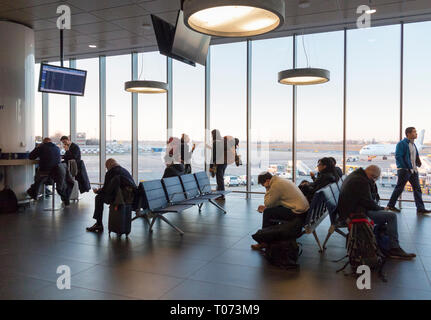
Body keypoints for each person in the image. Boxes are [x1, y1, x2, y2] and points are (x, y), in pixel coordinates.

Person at [337, 165, 416, 259]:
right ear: (372, 176)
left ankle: (385, 242)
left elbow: (365, 200)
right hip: (355, 213)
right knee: (392, 216)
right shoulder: (361, 181)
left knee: (386, 215)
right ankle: (394, 248)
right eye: (375, 179)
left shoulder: (357, 176)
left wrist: (379, 208)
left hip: (352, 209)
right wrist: (381, 209)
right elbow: (368, 202)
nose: (375, 181)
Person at [251, 172, 309, 250]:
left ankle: (264, 241)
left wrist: (267, 189)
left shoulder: (275, 185)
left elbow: (267, 203)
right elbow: (278, 200)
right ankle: (269, 239)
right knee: (270, 211)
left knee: (268, 212)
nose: (263, 186)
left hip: (298, 213)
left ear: (267, 180)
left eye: (263, 184)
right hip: (304, 211)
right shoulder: (280, 180)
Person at [386, 127, 431, 215]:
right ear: (408, 134)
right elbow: (398, 156)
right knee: (399, 188)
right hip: (405, 170)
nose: (416, 133)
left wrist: (417, 164)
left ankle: (420, 209)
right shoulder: (401, 144)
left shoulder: (413, 144)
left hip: (413, 170)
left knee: (417, 189)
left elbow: (413, 157)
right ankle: (390, 205)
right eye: (414, 132)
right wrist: (405, 167)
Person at [86, 158, 136, 232]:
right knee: (101, 196)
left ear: (109, 165)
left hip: (120, 198)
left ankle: (99, 224)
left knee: (98, 198)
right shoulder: (124, 171)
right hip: (130, 197)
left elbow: (106, 189)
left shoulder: (111, 172)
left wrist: (98, 191)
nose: (107, 169)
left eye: (106, 167)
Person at [27, 137, 72, 205]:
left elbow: (31, 156)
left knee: (38, 175)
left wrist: (37, 147)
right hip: (57, 173)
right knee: (40, 175)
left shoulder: (42, 147)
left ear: (43, 142)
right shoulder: (57, 148)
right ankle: (42, 191)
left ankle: (35, 192)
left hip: (46, 173)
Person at [209, 129, 227, 199]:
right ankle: (220, 194)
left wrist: (211, 166)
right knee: (220, 179)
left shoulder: (215, 142)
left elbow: (213, 155)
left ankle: (221, 195)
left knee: (219, 179)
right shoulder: (223, 141)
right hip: (225, 162)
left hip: (218, 163)